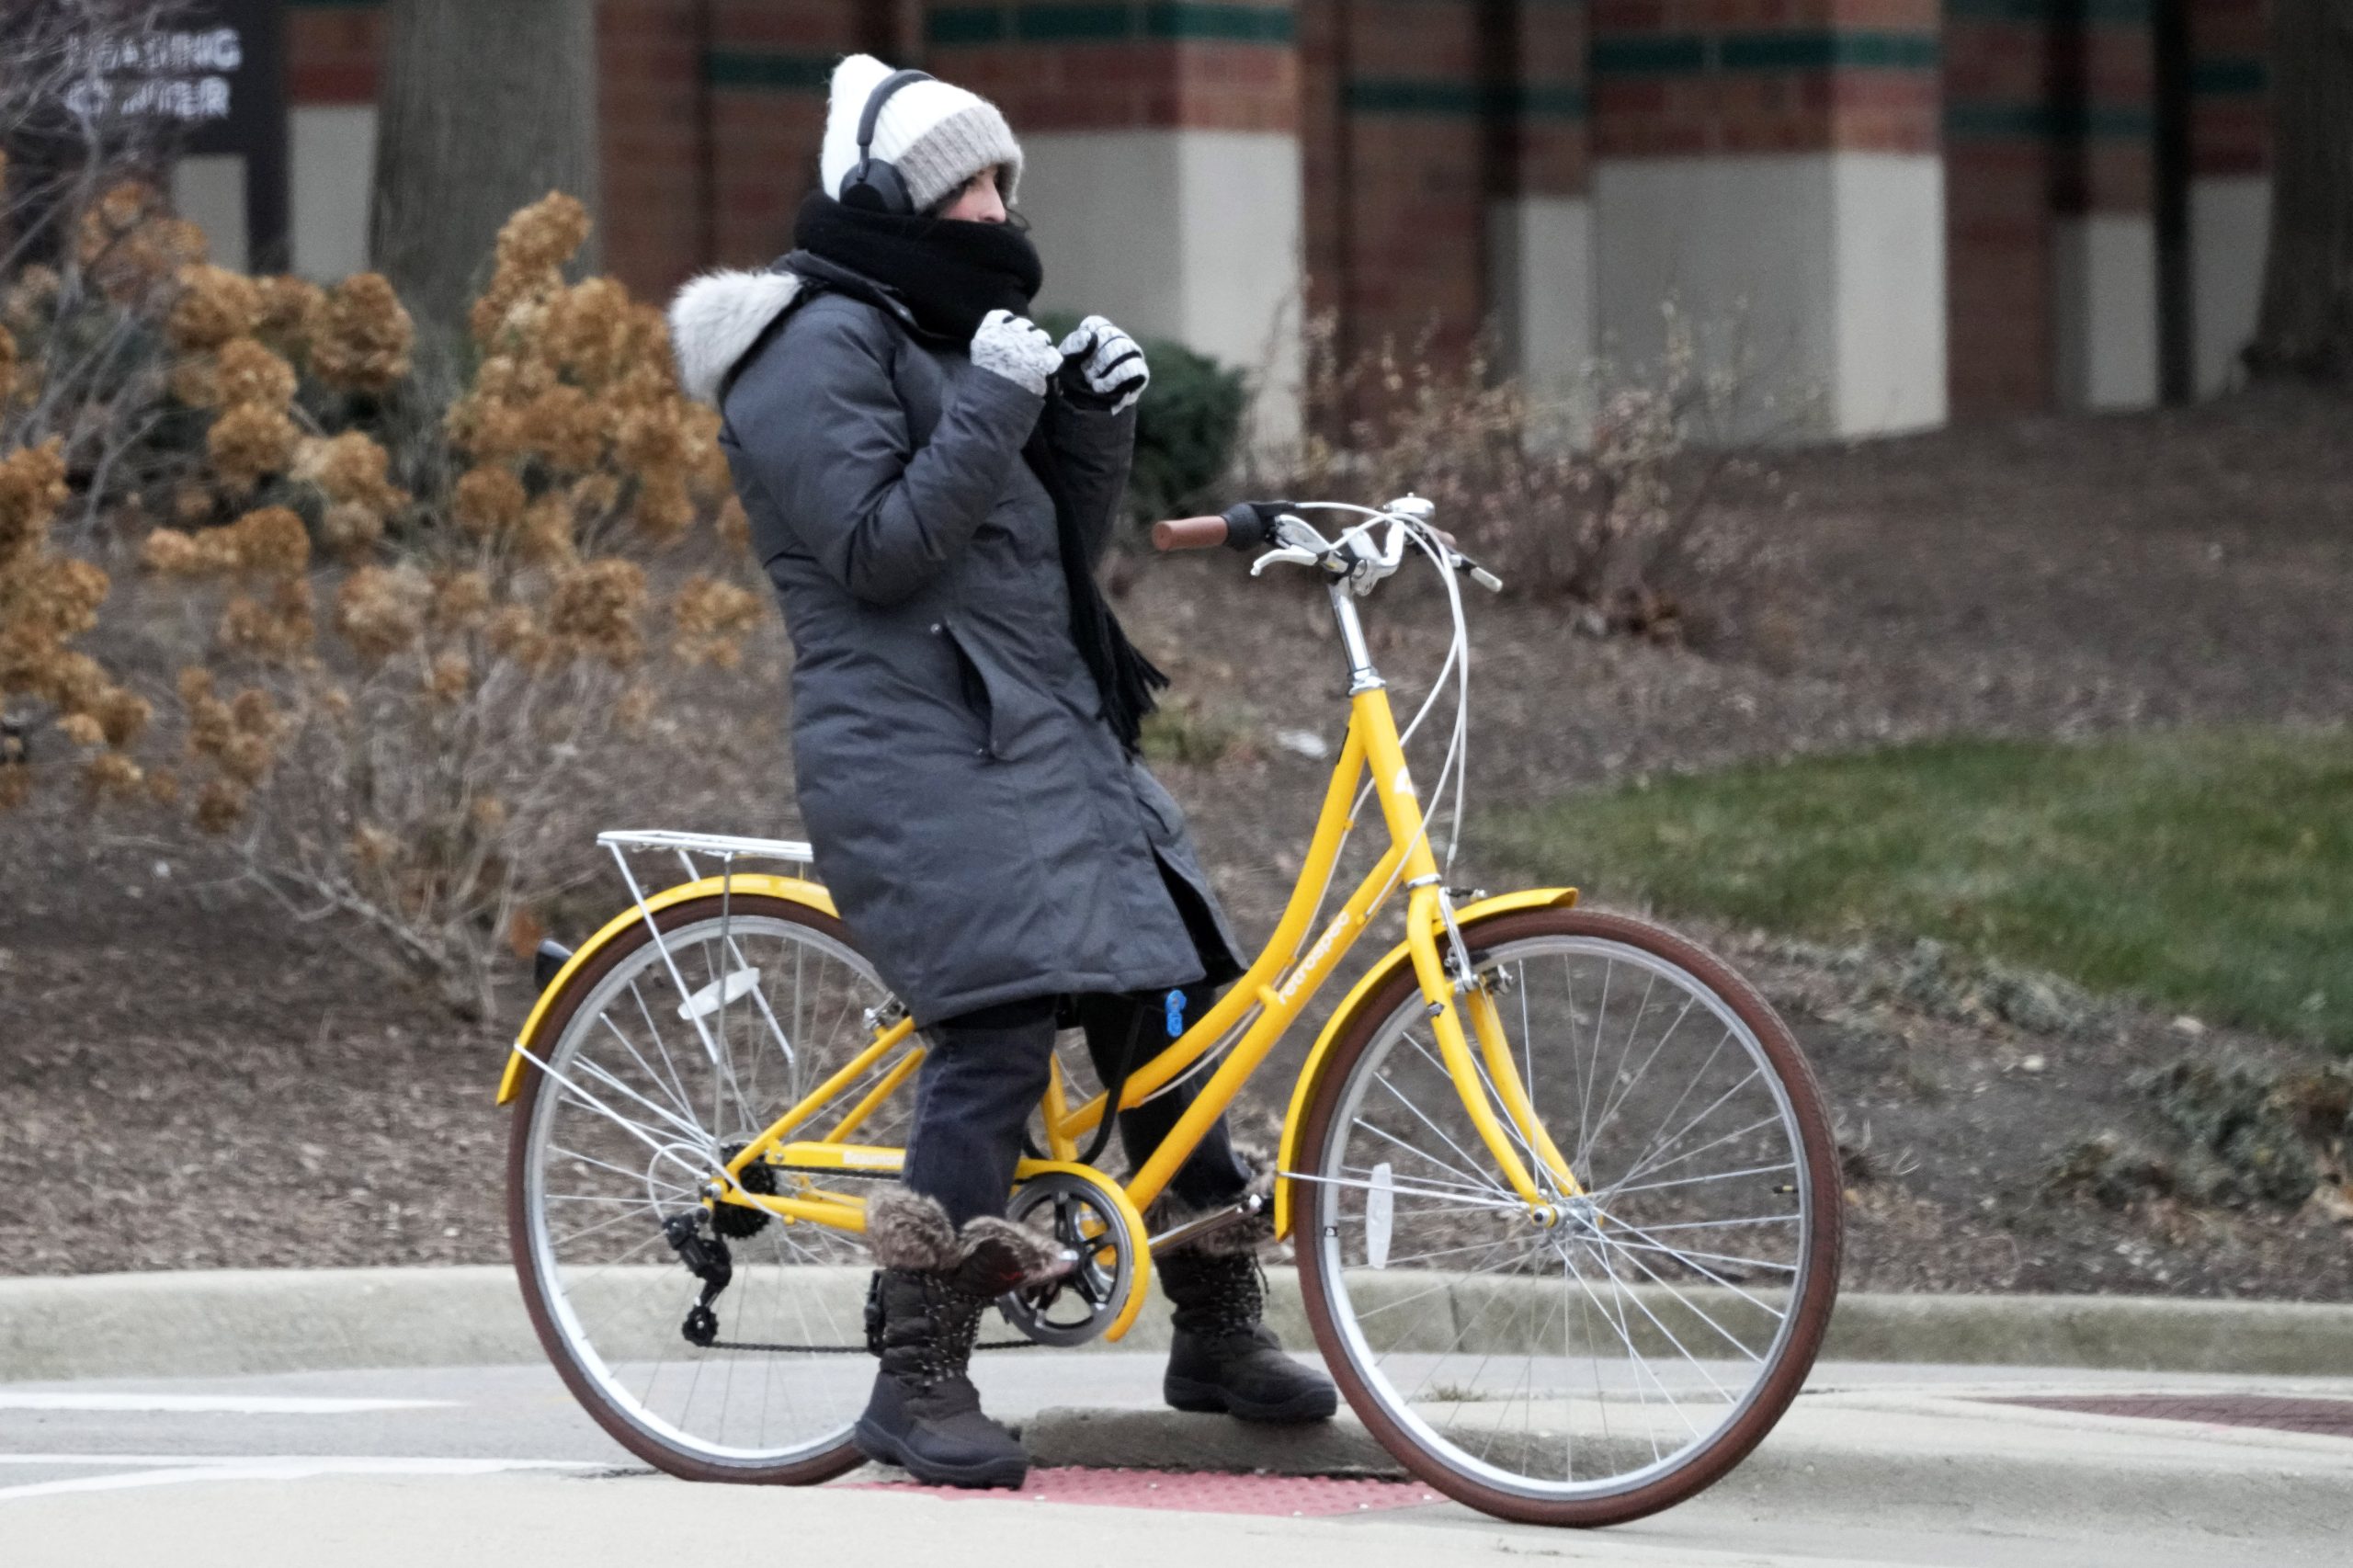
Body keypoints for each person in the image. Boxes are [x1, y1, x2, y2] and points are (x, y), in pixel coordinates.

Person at [667, 55, 1336, 1490]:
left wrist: (1084, 419)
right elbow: (879, 552)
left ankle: (1212, 1321)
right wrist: (989, 401)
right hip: (909, 747)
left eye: (1001, 182)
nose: (996, 204)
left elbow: (1040, 560)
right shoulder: (808, 343)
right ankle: (918, 1371)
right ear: (887, 197)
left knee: (1161, 996)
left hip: (1032, 731)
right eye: (968, 182)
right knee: (1002, 1019)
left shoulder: (945, 329)